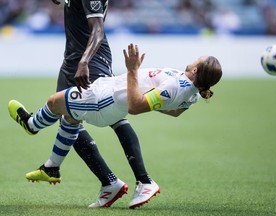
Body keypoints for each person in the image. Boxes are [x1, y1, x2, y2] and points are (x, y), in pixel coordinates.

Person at [8, 43, 223, 208]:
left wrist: (132, 70)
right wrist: (145, 97)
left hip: (104, 101)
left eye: (197, 60)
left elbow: (135, 107)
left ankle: (32, 125)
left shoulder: (176, 86)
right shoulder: (192, 92)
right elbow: (174, 111)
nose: (193, 60)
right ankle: (52, 167)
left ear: (196, 70)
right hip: (109, 94)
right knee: (70, 118)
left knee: (54, 102)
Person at [38, 0, 155, 209]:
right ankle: (109, 182)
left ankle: (144, 180)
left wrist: (84, 62)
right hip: (72, 58)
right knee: (68, 117)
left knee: (115, 115)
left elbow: (98, 30)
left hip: (91, 59)